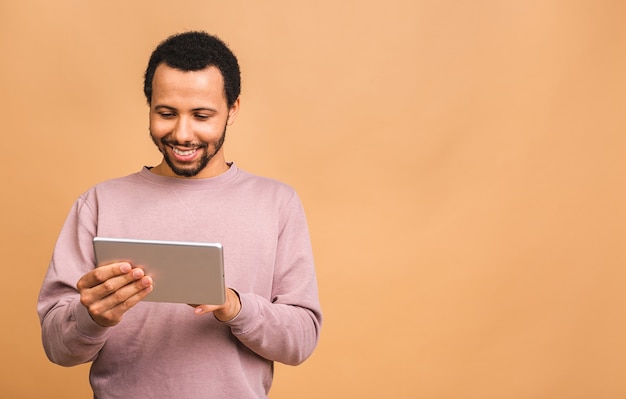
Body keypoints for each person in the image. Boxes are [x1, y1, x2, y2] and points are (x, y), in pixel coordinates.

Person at [37, 31, 322, 398]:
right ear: (149, 104)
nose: (182, 134)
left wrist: (234, 306)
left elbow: (300, 342)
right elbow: (57, 348)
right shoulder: (99, 203)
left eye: (202, 115)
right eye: (166, 113)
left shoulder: (276, 202)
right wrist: (92, 318)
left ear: (233, 108)